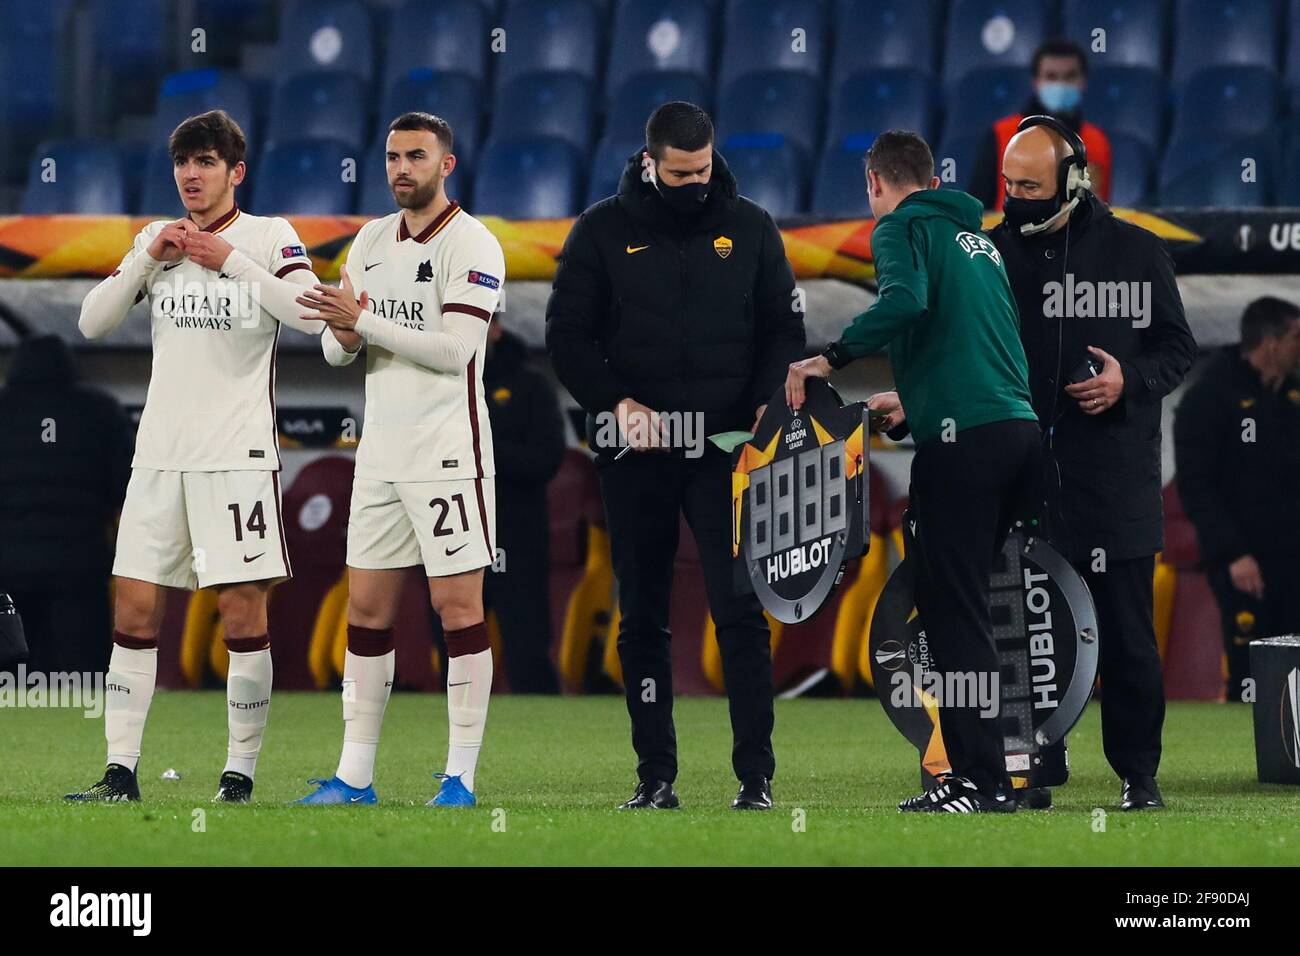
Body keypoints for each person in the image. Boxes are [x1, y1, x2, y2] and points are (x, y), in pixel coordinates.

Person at [546, 101, 805, 811]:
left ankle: (756, 779)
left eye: (704, 169)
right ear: (650, 161)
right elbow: (567, 334)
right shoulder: (602, 230)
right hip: (638, 453)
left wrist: (764, 403)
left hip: (724, 449)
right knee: (643, 617)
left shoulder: (751, 227)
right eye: (681, 172)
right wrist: (616, 405)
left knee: (740, 610)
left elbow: (784, 329)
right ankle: (654, 776)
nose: (697, 182)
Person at [67, 110, 325, 803]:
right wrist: (151, 258)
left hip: (236, 458)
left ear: (235, 173)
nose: (191, 174)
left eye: (206, 161)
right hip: (158, 458)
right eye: (184, 162)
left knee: (242, 612)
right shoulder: (157, 239)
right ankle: (120, 772)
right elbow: (91, 320)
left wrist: (231, 262)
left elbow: (308, 314)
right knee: (134, 611)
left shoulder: (270, 237)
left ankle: (238, 775)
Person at [785, 130, 1039, 814]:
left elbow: (905, 304)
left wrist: (827, 359)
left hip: (968, 446)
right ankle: (1000, 771)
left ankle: (979, 784)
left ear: (875, 184)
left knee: (952, 617)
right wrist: (920, 406)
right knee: (974, 612)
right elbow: (982, 341)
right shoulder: (977, 239)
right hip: (1014, 432)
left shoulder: (899, 228)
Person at [279, 112, 507, 808]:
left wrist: (363, 322)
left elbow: (456, 350)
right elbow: (335, 347)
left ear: (447, 165)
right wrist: (345, 334)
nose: (401, 168)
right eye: (392, 157)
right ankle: (354, 777)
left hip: (448, 455)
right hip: (378, 456)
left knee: (457, 606)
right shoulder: (370, 241)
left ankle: (461, 777)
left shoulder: (474, 243)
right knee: (367, 611)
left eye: (416, 156)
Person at [988, 117, 1195, 811]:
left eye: (1030, 186)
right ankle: (1030, 765)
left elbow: (1176, 349)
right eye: (1008, 184)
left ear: (1074, 182)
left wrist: (1126, 383)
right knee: (1023, 625)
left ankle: (1139, 774)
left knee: (1127, 635)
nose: (1016, 198)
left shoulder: (1139, 253)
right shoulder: (989, 256)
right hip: (1021, 474)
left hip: (1113, 477)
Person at [1175, 297, 1300, 701]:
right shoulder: (1209, 397)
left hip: (1292, 554)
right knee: (1251, 663)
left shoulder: (1293, 396)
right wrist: (1233, 554)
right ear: (1271, 342)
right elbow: (1196, 486)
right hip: (1244, 559)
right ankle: (1249, 752)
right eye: (1298, 337)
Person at [0, 334, 133, 675]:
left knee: (9, 679)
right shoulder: (101, 411)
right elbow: (129, 491)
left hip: (8, 572)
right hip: (81, 569)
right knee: (83, 678)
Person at [482, 321, 566, 693]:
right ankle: (453, 734)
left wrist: (481, 450)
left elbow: (546, 459)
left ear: (496, 327)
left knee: (527, 645)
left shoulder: (531, 386)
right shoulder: (438, 383)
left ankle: (544, 734)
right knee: (449, 640)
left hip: (517, 531)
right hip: (450, 528)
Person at [969, 38, 1112, 211]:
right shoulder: (1001, 134)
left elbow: (1100, 208)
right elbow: (978, 208)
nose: (1061, 84)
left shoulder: (1097, 141)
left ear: (1083, 82)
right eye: (1051, 77)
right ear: (1036, 82)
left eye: (1070, 76)